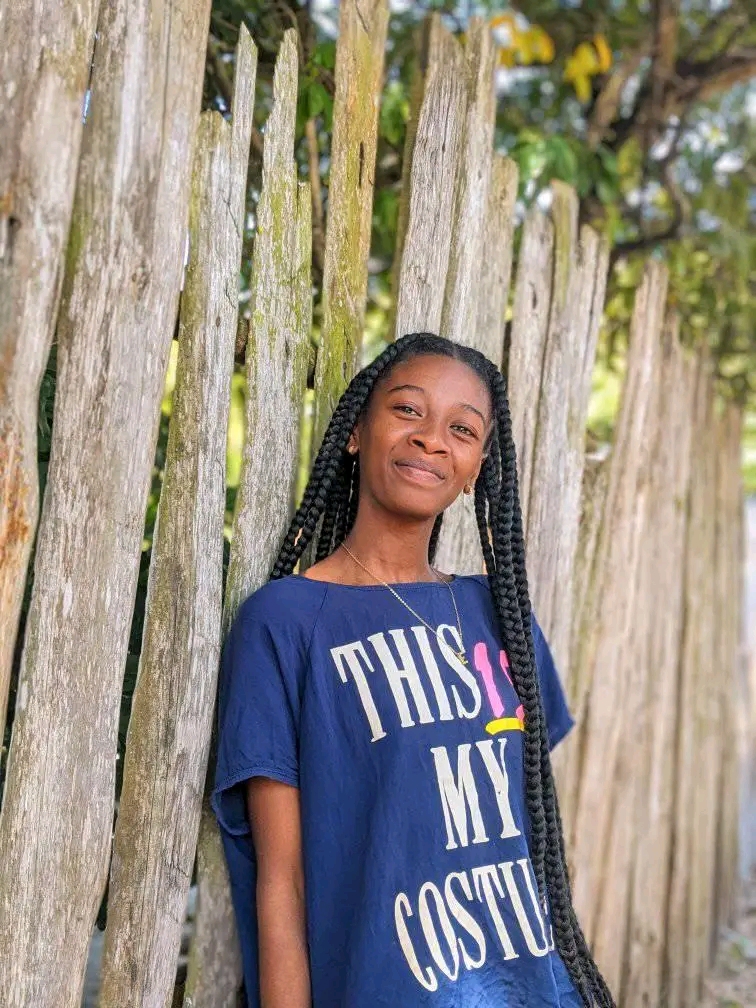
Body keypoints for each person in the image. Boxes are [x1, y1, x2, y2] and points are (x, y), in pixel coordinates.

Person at [212, 333, 614, 1008]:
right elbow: (282, 880)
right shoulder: (285, 622)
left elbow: (528, 828)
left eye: (463, 429)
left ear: (477, 466)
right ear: (355, 432)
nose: (431, 439)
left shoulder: (499, 614)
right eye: (407, 410)